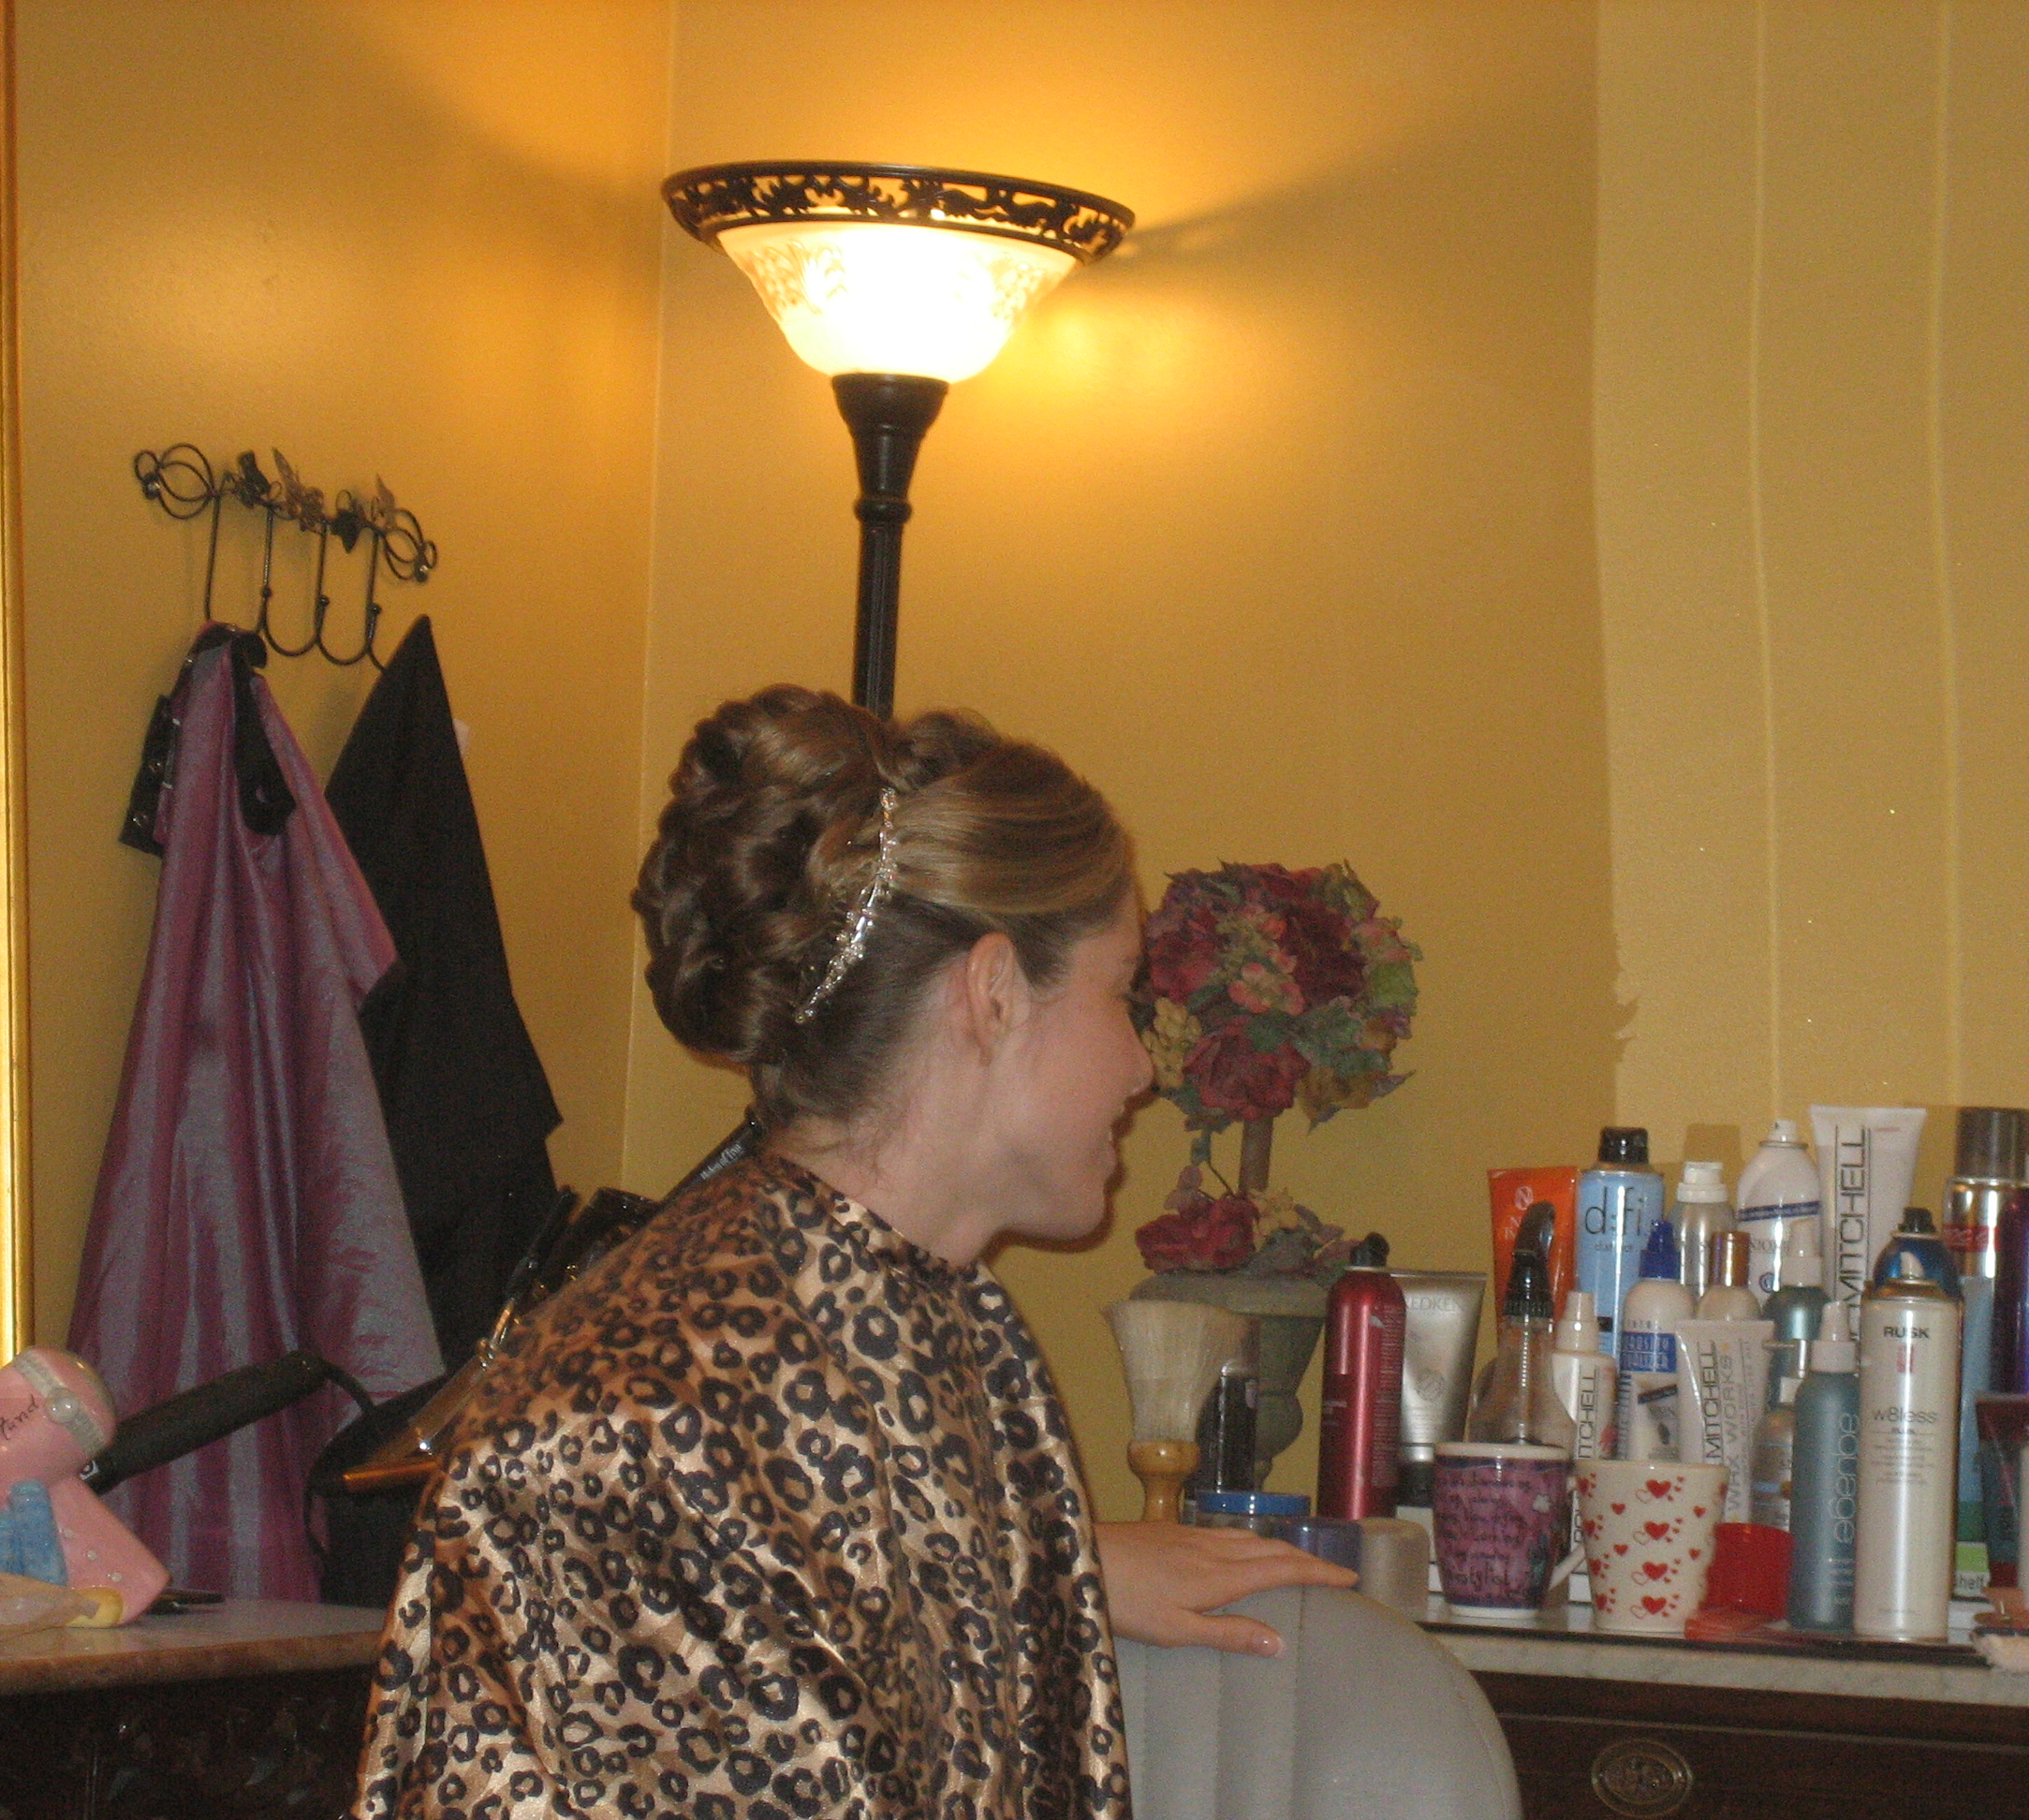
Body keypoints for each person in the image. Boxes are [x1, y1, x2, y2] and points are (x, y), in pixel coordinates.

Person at [354, 686, 1350, 1819]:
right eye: (1121, 993)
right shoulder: (656, 1410)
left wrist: (1056, 1570)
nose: (1143, 1066)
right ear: (993, 992)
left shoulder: (953, 1325)